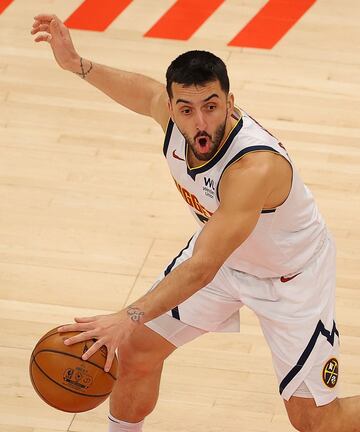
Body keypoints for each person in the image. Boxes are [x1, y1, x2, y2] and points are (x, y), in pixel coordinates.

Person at [31, 14, 360, 432]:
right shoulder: (171, 117)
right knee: (133, 352)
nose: (200, 122)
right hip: (226, 263)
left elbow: (201, 268)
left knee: (315, 420)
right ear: (171, 108)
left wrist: (126, 315)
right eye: (186, 109)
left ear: (230, 101)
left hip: (290, 280)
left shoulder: (254, 168)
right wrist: (77, 63)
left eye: (211, 106)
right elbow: (142, 91)